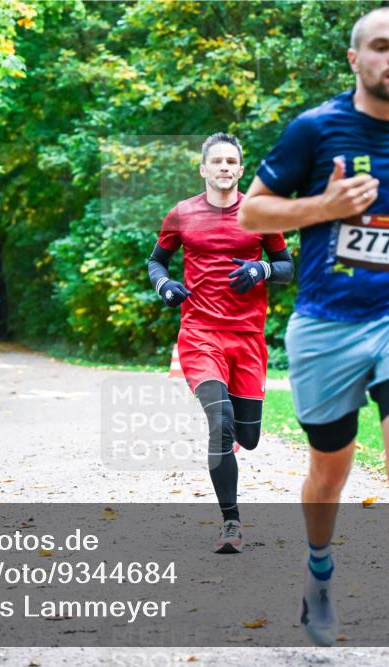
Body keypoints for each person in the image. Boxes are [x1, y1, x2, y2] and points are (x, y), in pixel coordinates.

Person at [238, 8, 389, 667]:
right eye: (383, 48)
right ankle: (318, 569)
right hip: (326, 323)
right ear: (354, 59)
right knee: (328, 472)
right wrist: (324, 208)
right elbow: (253, 209)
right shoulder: (315, 128)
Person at [147, 133, 293, 554]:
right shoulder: (182, 214)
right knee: (220, 421)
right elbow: (157, 260)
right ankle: (231, 522)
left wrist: (262, 269)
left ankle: (232, 442)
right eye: (218, 161)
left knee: (247, 437)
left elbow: (287, 266)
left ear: (241, 169)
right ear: (204, 169)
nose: (225, 167)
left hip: (247, 339)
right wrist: (164, 284)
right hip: (199, 335)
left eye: (232, 161)